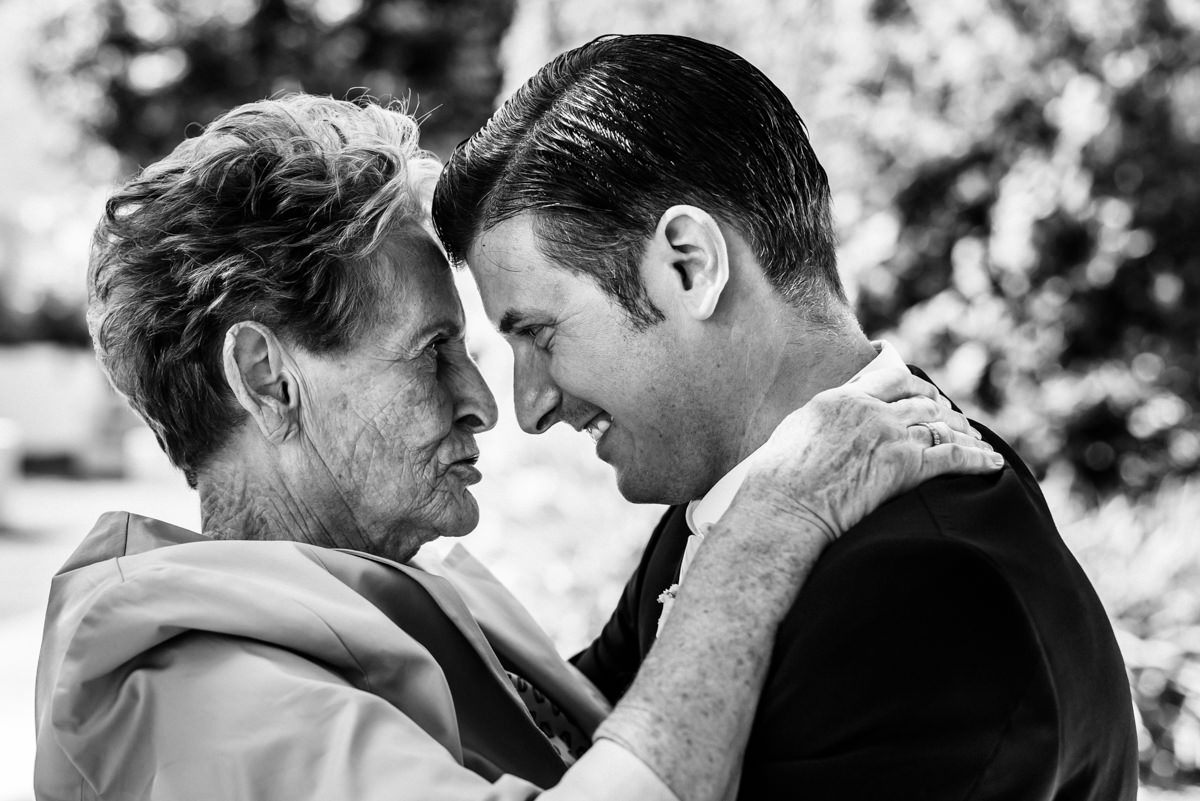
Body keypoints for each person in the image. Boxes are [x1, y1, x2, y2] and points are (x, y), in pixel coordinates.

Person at [34, 94, 999, 801]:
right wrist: (772, 524)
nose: (484, 404)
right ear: (268, 378)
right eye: (431, 352)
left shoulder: (413, 589)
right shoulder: (188, 699)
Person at [432, 33, 1139, 801]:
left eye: (538, 334)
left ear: (689, 265)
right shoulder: (726, 504)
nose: (530, 406)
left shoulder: (918, 591)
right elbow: (566, 741)